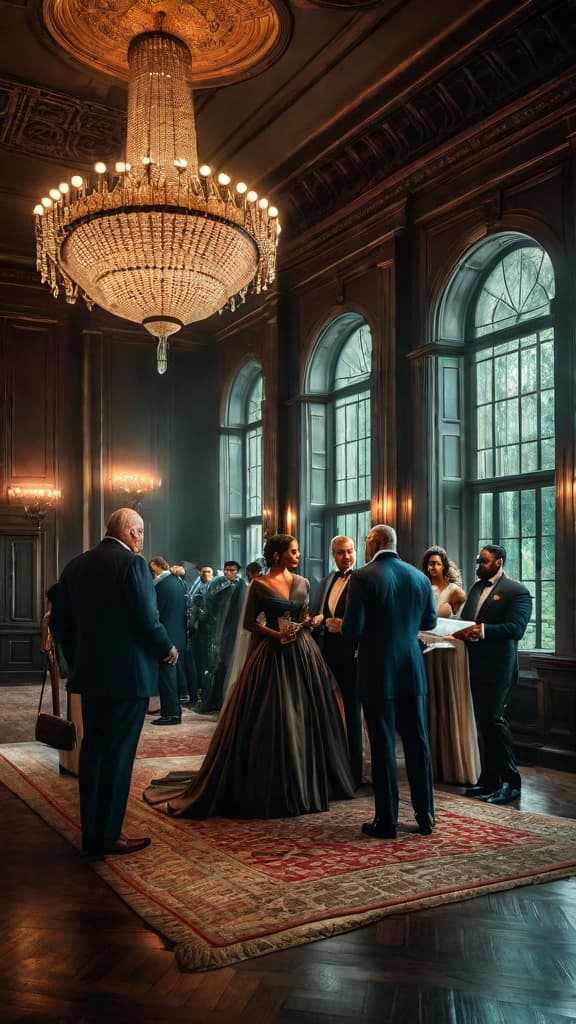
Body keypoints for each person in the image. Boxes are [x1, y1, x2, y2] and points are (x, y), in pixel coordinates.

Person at [143, 534, 355, 818]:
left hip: (303, 652)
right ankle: (274, 781)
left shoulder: (303, 583)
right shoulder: (260, 584)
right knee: (274, 714)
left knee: (309, 713)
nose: (298, 555)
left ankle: (310, 779)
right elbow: (250, 623)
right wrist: (276, 633)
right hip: (272, 653)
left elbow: (305, 615)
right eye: (293, 551)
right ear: (277, 555)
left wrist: (307, 623)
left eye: (298, 551)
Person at [50, 508, 178, 858]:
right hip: (127, 679)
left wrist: (80, 661)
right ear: (131, 532)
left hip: (91, 677)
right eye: (140, 534)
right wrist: (166, 648)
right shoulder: (132, 565)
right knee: (118, 757)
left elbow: (60, 624)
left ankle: (93, 833)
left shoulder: (76, 565)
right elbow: (146, 618)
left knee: (93, 753)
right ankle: (110, 837)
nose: (142, 541)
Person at [343, 524, 437, 840]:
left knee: (383, 744)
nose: (365, 546)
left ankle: (387, 821)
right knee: (417, 742)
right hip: (411, 668)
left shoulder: (363, 576)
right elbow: (430, 622)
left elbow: (352, 629)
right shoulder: (420, 577)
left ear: (375, 542)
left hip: (377, 668)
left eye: (366, 541)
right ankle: (426, 817)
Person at [452, 544, 532, 805]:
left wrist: (482, 631)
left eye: (483, 562)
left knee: (495, 721)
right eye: (477, 562)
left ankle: (511, 782)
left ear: (499, 562)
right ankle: (489, 779)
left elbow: (516, 629)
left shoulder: (517, 591)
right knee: (482, 724)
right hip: (474, 665)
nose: (478, 567)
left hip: (500, 668)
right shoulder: (476, 588)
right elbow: (467, 620)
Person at [419, 546, 480, 785]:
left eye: (436, 563)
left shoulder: (456, 592)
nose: (432, 568)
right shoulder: (424, 588)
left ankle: (456, 764)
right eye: (428, 564)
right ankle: (435, 765)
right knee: (433, 703)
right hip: (428, 648)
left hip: (452, 649)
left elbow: (463, 622)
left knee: (450, 701)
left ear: (444, 565)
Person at [311, 535, 363, 788]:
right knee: (327, 711)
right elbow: (320, 610)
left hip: (353, 655)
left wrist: (345, 627)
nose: (347, 556)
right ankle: (330, 768)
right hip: (327, 653)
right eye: (341, 552)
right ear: (333, 555)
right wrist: (318, 619)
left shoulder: (363, 580)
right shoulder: (326, 581)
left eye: (350, 551)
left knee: (353, 713)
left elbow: (370, 619)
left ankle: (353, 773)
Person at [196, 561, 243, 714]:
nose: (229, 572)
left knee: (225, 664)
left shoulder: (240, 586)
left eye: (233, 570)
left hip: (231, 630)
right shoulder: (219, 584)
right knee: (213, 665)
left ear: (237, 571)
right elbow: (208, 605)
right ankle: (210, 700)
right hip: (217, 629)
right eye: (227, 570)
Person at [149, 557, 187, 725]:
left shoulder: (160, 586)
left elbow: (156, 614)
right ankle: (172, 711)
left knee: (167, 679)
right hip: (178, 635)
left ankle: (171, 714)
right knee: (172, 678)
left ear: (155, 567)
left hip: (167, 638)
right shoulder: (177, 581)